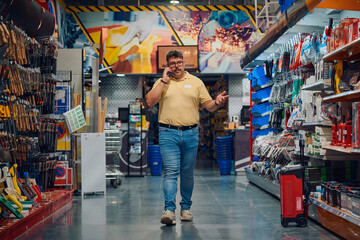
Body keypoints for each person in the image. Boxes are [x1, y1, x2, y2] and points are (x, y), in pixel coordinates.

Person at [145, 50, 229, 225]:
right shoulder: (162, 82)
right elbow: (150, 101)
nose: (176, 66)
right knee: (170, 172)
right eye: (172, 63)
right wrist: (163, 81)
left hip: (191, 133)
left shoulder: (196, 82)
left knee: (187, 173)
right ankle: (169, 210)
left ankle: (186, 208)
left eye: (179, 62)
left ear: (184, 63)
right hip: (168, 133)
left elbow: (209, 106)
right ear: (168, 65)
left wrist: (217, 102)